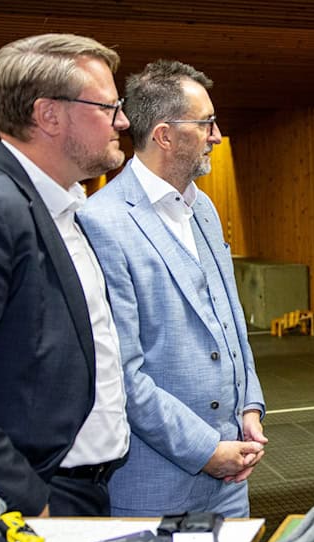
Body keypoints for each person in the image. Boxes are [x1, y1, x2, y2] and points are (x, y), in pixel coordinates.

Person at [77, 60, 266, 518]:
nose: (217, 135)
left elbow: (230, 320)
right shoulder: (102, 222)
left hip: (231, 478)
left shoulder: (204, 210)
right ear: (164, 135)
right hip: (154, 485)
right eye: (206, 124)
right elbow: (123, 374)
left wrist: (250, 408)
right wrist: (206, 450)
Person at [0, 34, 131, 516]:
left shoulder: (62, 206)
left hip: (84, 486)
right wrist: (27, 496)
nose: (123, 120)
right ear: (50, 115)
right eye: (109, 106)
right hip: (37, 495)